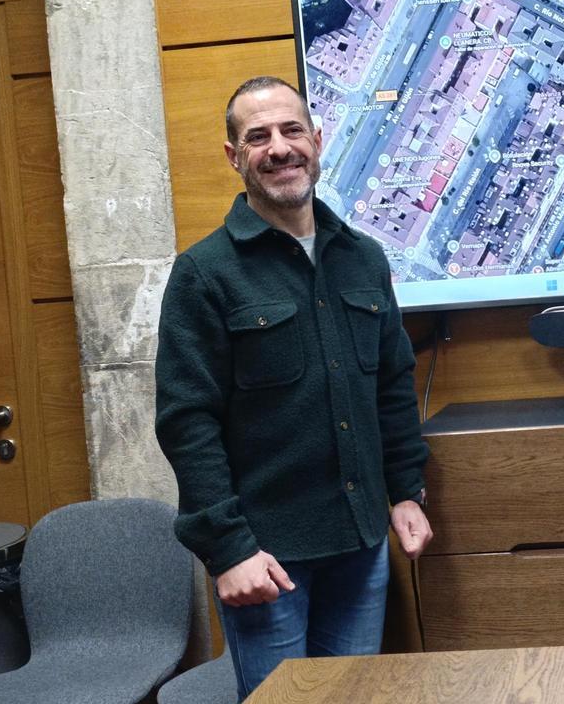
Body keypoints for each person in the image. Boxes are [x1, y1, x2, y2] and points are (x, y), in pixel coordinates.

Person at [155, 76, 432, 700]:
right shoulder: (205, 274)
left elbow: (391, 385)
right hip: (268, 560)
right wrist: (229, 550)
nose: (278, 148)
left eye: (291, 130)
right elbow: (186, 421)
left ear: (316, 139)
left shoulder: (363, 258)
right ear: (235, 157)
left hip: (361, 547)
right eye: (258, 137)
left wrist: (405, 492)